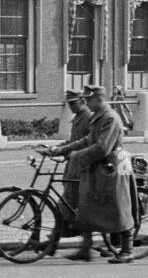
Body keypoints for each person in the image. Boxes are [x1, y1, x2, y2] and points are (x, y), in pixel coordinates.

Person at [51, 84, 135, 264]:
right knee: (86, 206)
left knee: (118, 208)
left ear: (99, 99)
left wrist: (76, 155)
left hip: (113, 169)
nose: (86, 103)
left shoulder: (111, 118)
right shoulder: (99, 118)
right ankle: (85, 249)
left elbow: (102, 147)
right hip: (99, 169)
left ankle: (127, 250)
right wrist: (61, 150)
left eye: (88, 99)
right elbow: (87, 140)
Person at [38, 90, 92, 257]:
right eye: (69, 104)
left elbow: (84, 143)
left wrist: (61, 150)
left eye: (74, 103)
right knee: (67, 208)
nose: (71, 106)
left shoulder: (88, 118)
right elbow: (72, 141)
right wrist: (56, 149)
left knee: (69, 207)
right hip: (73, 168)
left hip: (81, 169)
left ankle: (73, 245)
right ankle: (55, 243)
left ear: (83, 101)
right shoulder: (78, 118)